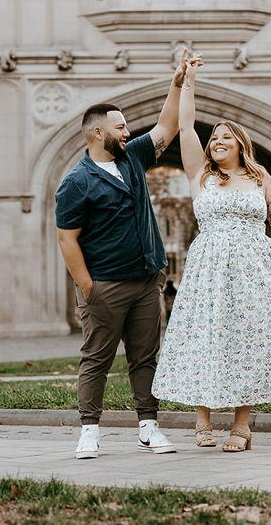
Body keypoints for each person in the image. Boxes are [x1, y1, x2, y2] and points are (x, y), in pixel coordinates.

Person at [152, 59, 271, 452]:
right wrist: (188, 82)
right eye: (214, 137)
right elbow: (185, 126)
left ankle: (242, 426)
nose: (217, 141)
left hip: (255, 267)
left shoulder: (260, 177)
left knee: (249, 340)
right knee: (204, 337)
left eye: (226, 137)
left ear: (241, 145)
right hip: (209, 267)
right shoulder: (201, 175)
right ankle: (202, 419)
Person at [55, 54, 200, 460]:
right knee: (96, 360)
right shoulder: (76, 182)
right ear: (97, 132)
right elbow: (67, 239)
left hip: (146, 281)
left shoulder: (132, 157)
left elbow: (166, 128)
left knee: (145, 358)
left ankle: (148, 427)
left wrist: (176, 83)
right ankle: (89, 431)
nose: (127, 131)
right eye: (120, 127)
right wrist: (88, 287)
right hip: (105, 284)